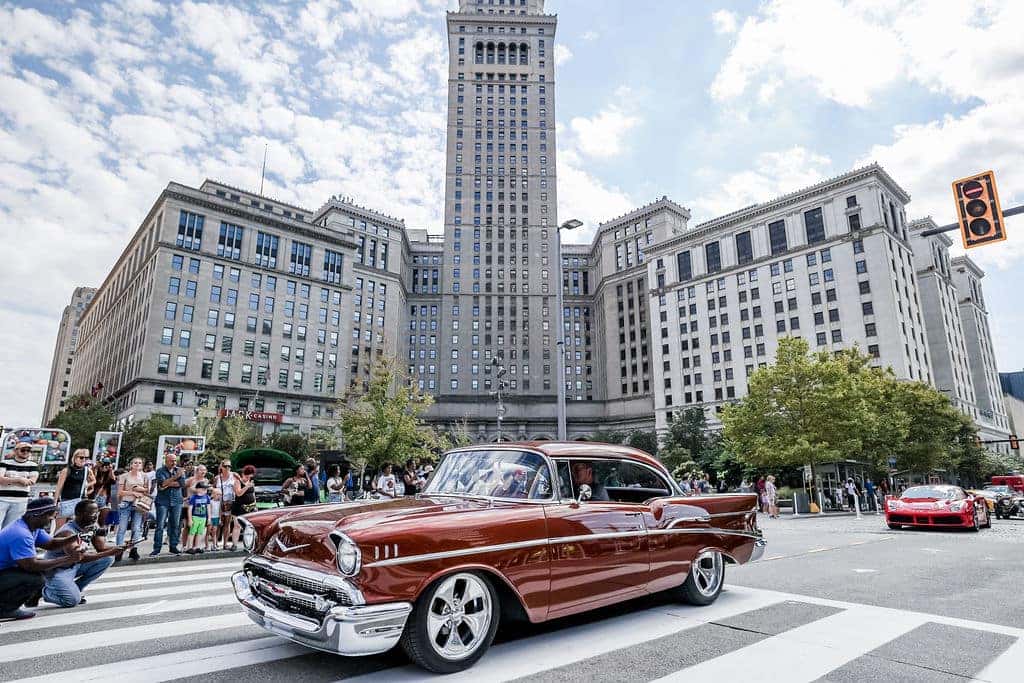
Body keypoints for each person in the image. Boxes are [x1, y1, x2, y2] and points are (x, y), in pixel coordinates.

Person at [0, 497, 82, 620]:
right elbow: (31, 565)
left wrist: (74, 537)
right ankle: (5, 610)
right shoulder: (20, 533)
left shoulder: (32, 527)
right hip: (4, 572)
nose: (52, 519)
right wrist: (68, 559)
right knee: (36, 579)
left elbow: (51, 544)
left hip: (6, 570)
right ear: (36, 515)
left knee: (45, 569)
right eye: (50, 516)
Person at [38, 499, 121, 607]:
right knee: (72, 601)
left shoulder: (92, 526)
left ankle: (77, 588)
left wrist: (121, 547)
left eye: (97, 513)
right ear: (79, 514)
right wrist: (109, 552)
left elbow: (101, 548)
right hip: (58, 569)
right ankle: (44, 592)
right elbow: (78, 557)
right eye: (92, 513)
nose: (95, 517)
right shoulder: (67, 532)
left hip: (74, 565)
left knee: (108, 559)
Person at [151, 453, 186, 556]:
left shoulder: (179, 470)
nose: (174, 463)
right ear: (166, 461)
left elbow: (182, 484)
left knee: (175, 524)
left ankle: (173, 546)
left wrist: (168, 483)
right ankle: (157, 548)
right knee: (160, 525)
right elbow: (162, 483)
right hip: (163, 501)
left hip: (177, 501)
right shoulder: (160, 471)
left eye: (175, 461)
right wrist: (176, 477)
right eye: (172, 461)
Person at [0, 439, 41, 528]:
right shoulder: (5, 463)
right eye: (23, 450)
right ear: (15, 451)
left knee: (10, 528)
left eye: (28, 450)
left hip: (20, 501)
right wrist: (19, 480)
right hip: (2, 499)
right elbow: (0, 479)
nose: (25, 452)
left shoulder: (33, 465)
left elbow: (32, 481)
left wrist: (9, 480)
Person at [115, 458, 149, 561]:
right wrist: (133, 492)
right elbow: (120, 492)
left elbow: (147, 490)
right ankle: (119, 550)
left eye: (139, 463)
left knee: (136, 527)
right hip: (126, 503)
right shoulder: (124, 476)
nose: (137, 464)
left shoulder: (144, 476)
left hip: (138, 504)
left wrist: (139, 489)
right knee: (122, 528)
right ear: (131, 465)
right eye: (135, 463)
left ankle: (134, 549)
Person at [54, 449, 95, 527]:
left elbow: (94, 481)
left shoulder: (87, 470)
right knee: (60, 528)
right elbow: (59, 487)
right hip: (66, 500)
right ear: (75, 458)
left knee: (75, 527)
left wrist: (86, 485)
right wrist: (55, 503)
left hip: (79, 501)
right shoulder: (66, 470)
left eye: (86, 458)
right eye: (81, 457)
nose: (84, 460)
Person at [227, 466, 257, 550]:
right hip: (239, 507)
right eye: (247, 476)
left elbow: (253, 494)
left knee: (249, 527)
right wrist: (247, 486)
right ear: (243, 474)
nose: (248, 478)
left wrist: (255, 505)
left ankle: (248, 545)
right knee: (237, 526)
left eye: (250, 477)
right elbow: (238, 493)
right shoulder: (237, 482)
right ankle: (234, 545)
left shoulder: (251, 482)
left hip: (250, 507)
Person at [213, 460, 238, 549]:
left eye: (229, 466)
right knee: (218, 523)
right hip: (219, 503)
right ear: (221, 467)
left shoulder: (234, 475)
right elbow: (213, 489)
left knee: (227, 523)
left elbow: (239, 486)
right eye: (225, 466)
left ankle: (225, 543)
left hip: (229, 502)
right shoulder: (217, 478)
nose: (228, 468)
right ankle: (215, 543)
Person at [184, 482, 212, 554]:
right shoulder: (193, 498)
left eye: (206, 489)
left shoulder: (207, 497)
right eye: (204, 489)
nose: (205, 490)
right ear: (198, 489)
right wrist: (190, 519)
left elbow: (208, 508)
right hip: (195, 517)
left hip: (203, 517)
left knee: (200, 532)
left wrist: (209, 518)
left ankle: (196, 547)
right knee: (192, 532)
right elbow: (190, 509)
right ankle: (189, 547)